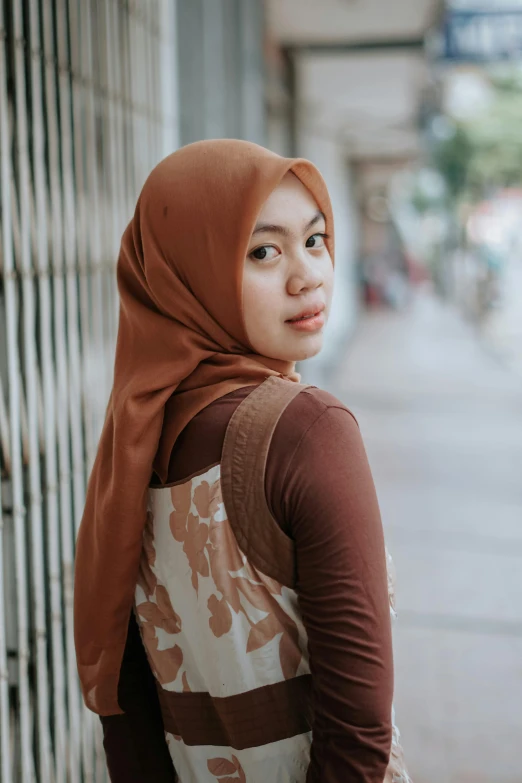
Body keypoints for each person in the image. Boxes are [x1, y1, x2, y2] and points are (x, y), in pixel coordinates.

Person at [74, 139, 411, 782]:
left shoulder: (133, 446)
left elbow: (131, 726)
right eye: (263, 251)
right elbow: (358, 735)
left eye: (315, 240)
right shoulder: (308, 431)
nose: (307, 273)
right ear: (188, 270)